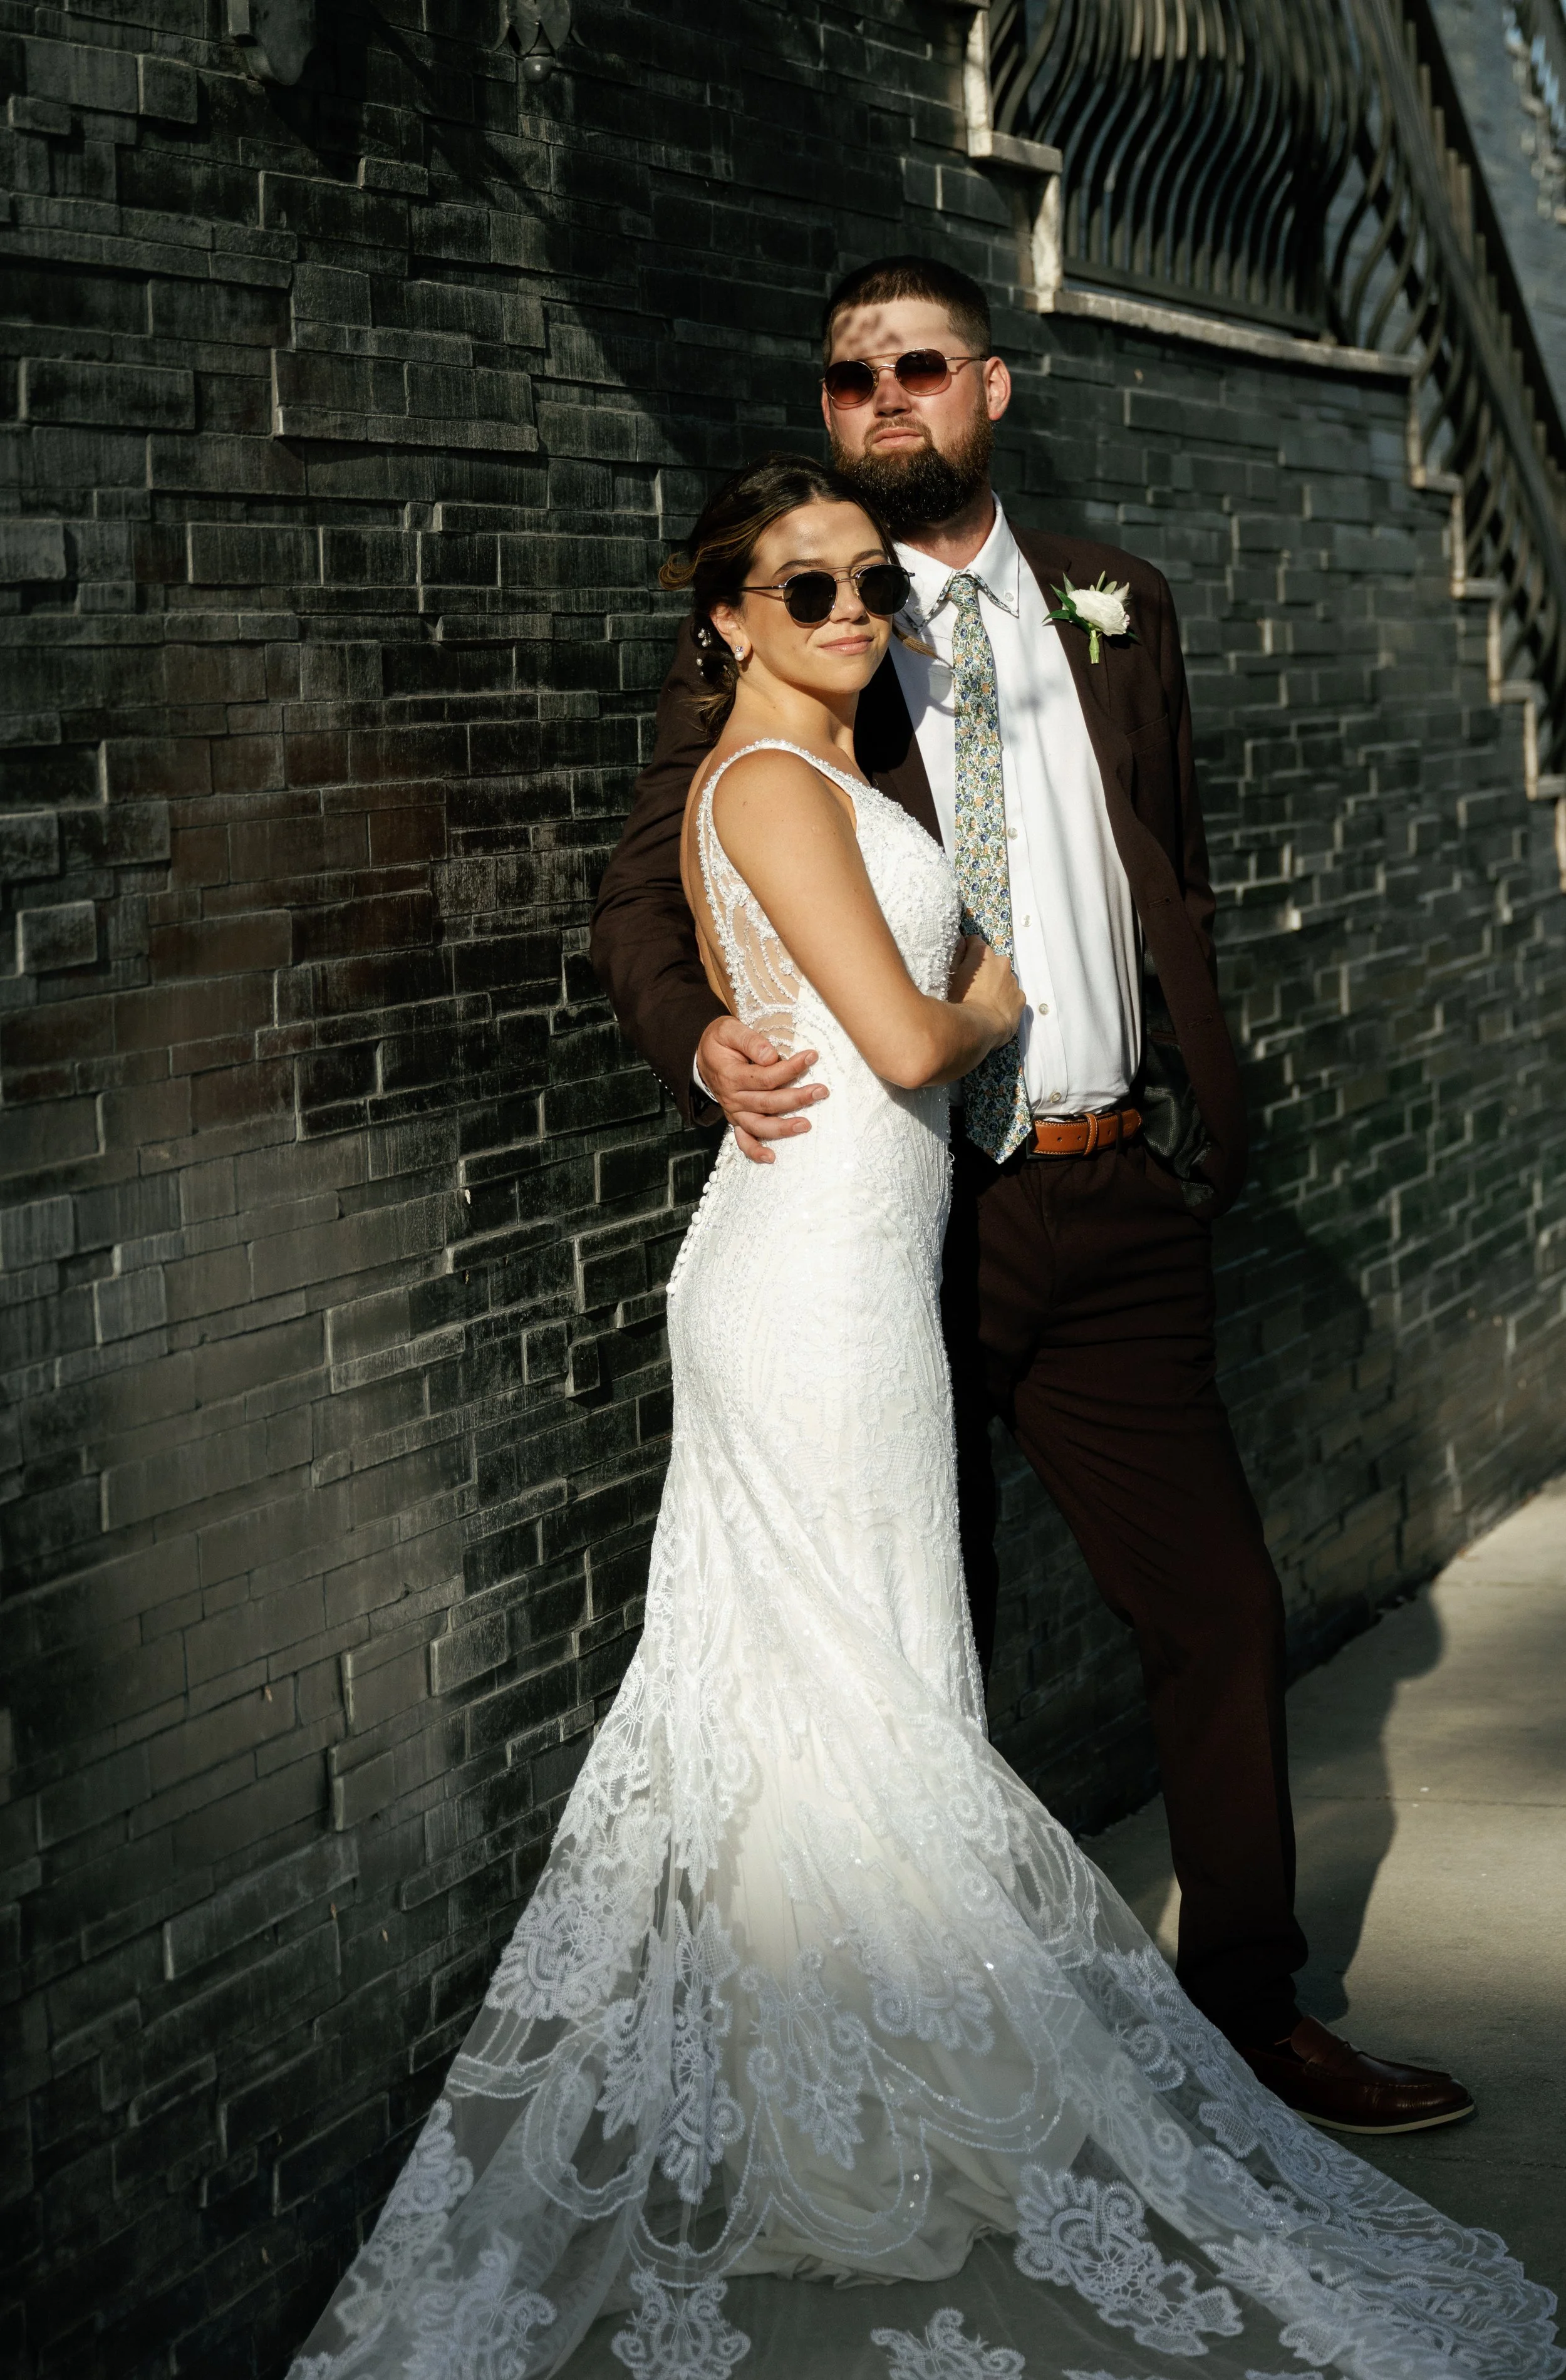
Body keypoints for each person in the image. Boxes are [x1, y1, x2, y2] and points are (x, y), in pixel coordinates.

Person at [288, 455, 1561, 2380]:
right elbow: (890, 1032)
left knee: (859, 1676)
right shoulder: (764, 775)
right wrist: (984, 997)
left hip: (884, 1268)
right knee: (854, 1687)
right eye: (804, 591)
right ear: (722, 615)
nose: (851, 612)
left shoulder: (889, 720)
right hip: (811, 1287)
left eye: (867, 582)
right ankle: (863, 2118)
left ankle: (857, 2124)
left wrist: (954, 988)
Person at [591, 254, 1472, 2133]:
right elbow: (642, 884)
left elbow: (1167, 871)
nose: (880, 399)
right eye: (846, 379)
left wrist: (1179, 1084)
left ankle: (1247, 2012)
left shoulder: (1116, 606)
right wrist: (696, 1039)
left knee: (1216, 1607)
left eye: (916, 367)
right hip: (909, 1220)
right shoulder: (816, 616)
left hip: (1106, 1181)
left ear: (993, 387)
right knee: (923, 1644)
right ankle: (945, 2044)